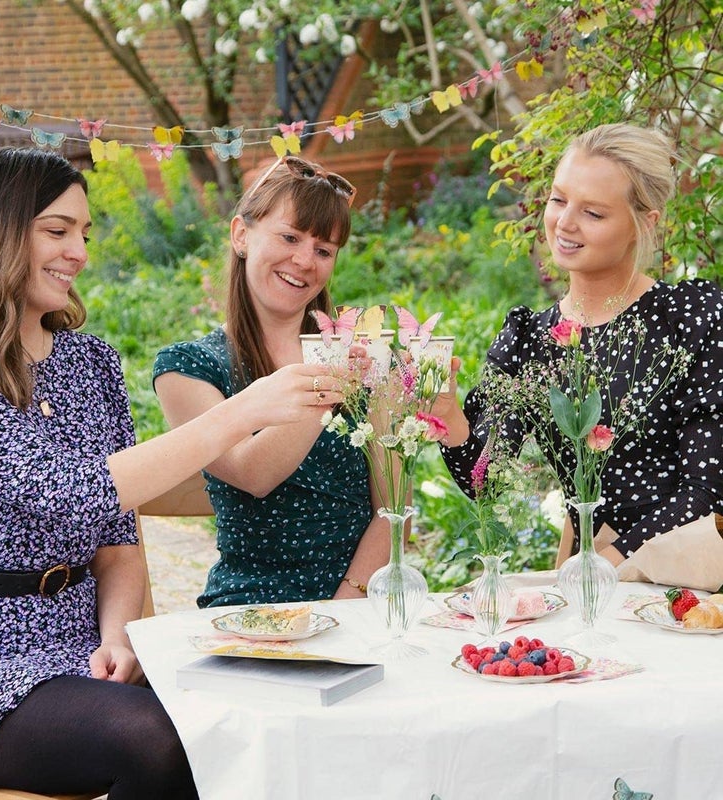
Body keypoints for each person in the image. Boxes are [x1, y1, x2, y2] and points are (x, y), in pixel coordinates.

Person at [0, 147, 343, 800]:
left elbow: (115, 536)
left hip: (82, 648)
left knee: (244, 718)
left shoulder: (91, 364)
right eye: (57, 231)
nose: (79, 253)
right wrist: (242, 412)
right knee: (157, 741)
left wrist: (118, 634)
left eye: (83, 234)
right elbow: (72, 493)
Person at [436, 122, 723, 565]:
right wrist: (448, 415)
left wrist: (600, 565)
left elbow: (709, 488)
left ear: (643, 224)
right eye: (558, 199)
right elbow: (486, 484)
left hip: (682, 587)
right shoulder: (529, 338)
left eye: (593, 213)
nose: (565, 223)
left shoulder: (694, 318)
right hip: (589, 583)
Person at [153, 155, 392, 607]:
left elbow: (392, 509)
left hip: (360, 607)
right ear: (241, 235)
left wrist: (346, 606)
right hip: (250, 611)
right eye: (289, 237)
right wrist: (332, 382)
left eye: (324, 250)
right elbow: (252, 473)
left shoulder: (363, 358)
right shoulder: (188, 368)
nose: (304, 260)